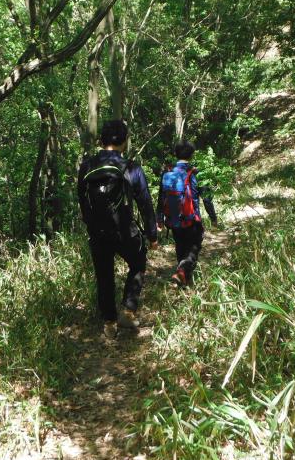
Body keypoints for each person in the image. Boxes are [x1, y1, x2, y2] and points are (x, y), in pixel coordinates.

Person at [77, 120, 158, 338]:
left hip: (98, 232)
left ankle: (109, 323)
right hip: (125, 231)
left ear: (101, 141)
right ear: (124, 142)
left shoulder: (87, 166)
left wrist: (91, 224)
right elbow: (145, 203)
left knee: (104, 276)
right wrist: (152, 235)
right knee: (138, 262)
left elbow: (82, 199)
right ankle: (128, 311)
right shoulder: (131, 167)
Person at [157, 141, 217, 287]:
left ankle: (184, 281)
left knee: (180, 246)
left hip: (173, 219)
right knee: (194, 247)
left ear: (176, 155)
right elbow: (206, 198)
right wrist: (213, 217)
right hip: (192, 218)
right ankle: (182, 272)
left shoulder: (167, 173)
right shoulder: (195, 173)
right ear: (191, 155)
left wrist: (159, 219)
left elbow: (161, 198)